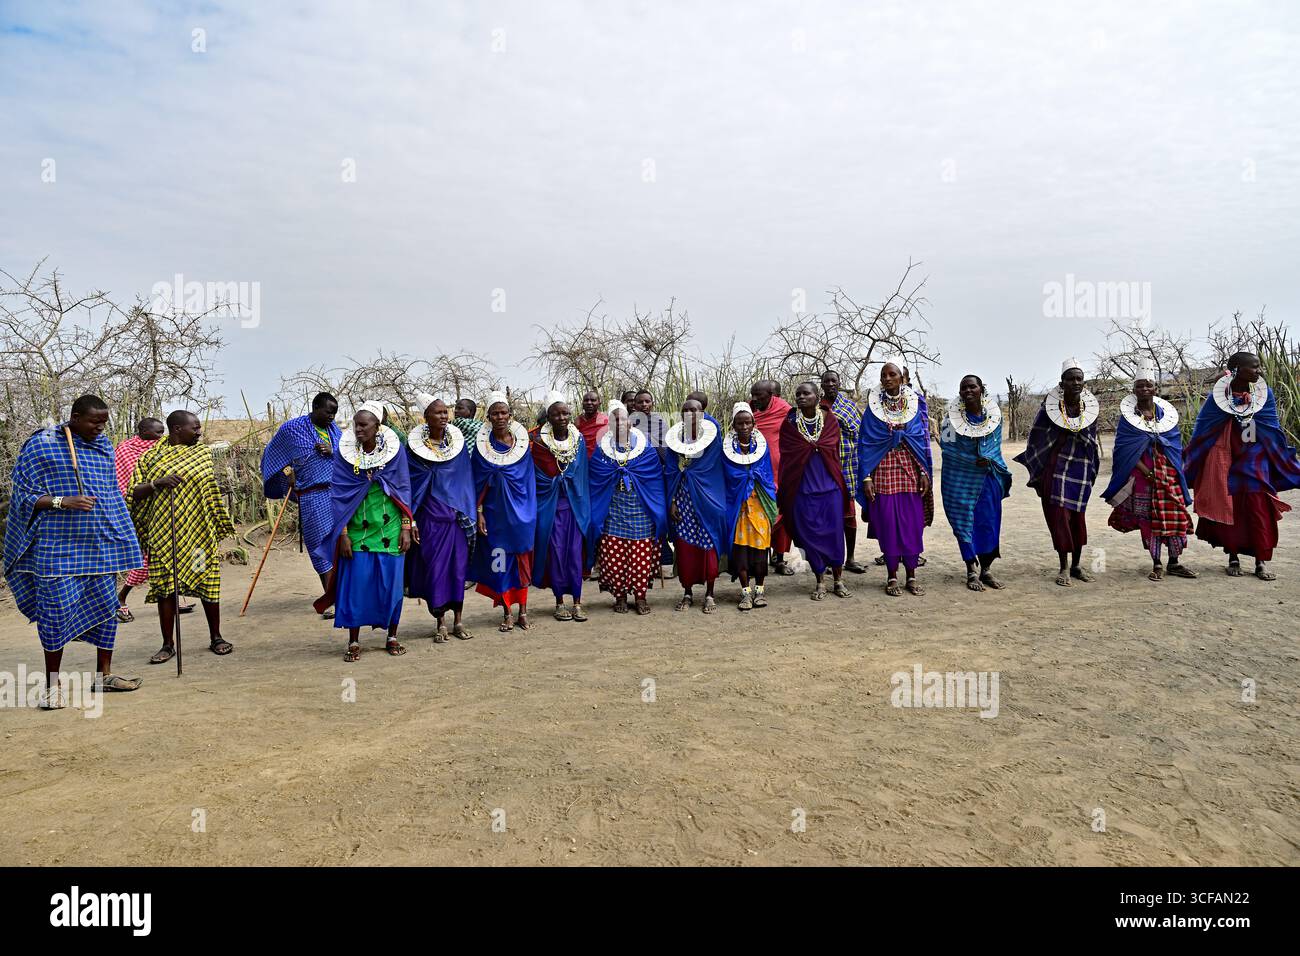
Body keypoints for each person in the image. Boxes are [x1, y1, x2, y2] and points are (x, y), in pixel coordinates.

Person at [4, 395, 145, 706]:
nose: (100, 428)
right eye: (94, 421)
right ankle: (52, 686)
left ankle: (103, 676)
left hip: (98, 545)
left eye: (104, 422)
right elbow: (24, 498)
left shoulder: (103, 446)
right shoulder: (42, 445)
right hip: (57, 547)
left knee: (108, 610)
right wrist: (61, 501)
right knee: (55, 613)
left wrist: (121, 535)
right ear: (76, 416)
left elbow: (110, 493)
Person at [130, 410, 237, 661]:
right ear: (177, 429)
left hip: (199, 535)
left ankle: (216, 636)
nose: (199, 432)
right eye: (195, 427)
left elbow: (208, 489)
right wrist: (157, 483)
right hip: (163, 535)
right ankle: (167, 645)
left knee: (208, 584)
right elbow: (133, 492)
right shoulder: (151, 457)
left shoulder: (202, 454)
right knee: (166, 589)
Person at [1185, 351, 1300, 580]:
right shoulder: (1218, 397)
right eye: (1254, 367)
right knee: (1232, 505)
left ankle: (1261, 561)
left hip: (1256, 456)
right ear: (1236, 369)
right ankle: (1233, 557)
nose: (1259, 371)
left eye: (1258, 367)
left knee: (1259, 505)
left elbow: (1271, 426)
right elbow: (1204, 430)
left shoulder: (1264, 393)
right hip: (1227, 455)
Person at [314, 403, 413, 660]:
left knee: (391, 585)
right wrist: (343, 533)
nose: (358, 429)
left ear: (377, 427)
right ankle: (354, 641)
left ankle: (391, 636)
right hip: (356, 529)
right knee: (356, 585)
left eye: (364, 425)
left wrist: (406, 527)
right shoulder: (345, 455)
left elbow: (403, 488)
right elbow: (339, 494)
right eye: (356, 424)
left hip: (390, 527)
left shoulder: (395, 452)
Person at [1101, 362, 1197, 581]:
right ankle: (1157, 563)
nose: (1144, 389)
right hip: (1143, 477)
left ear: (1155, 389)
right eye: (1140, 386)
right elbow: (1125, 452)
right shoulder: (1129, 420)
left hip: (1169, 474)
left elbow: (1174, 445)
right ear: (1134, 390)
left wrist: (1165, 466)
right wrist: (1147, 471)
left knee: (1175, 516)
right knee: (1149, 519)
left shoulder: (1167, 416)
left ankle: (1174, 562)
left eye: (1148, 385)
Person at [1013, 359, 1101, 587]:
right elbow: (1037, 440)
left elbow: (1091, 442)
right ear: (1061, 383)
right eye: (1070, 379)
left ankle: (1077, 566)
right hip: (1056, 468)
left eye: (1079, 379)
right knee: (1059, 517)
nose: (1075, 382)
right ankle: (1063, 567)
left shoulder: (1089, 410)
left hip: (1080, 468)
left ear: (1084, 383)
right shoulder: (1048, 410)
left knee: (1078, 518)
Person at [857, 359, 932, 596]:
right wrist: (867, 478)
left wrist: (923, 472)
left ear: (902, 378)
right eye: (883, 375)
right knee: (888, 525)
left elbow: (919, 439)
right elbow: (866, 443)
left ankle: (911, 575)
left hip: (910, 470)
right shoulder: (873, 409)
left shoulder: (913, 405)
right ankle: (891, 577)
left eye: (892, 374)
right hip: (883, 471)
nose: (887, 379)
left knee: (911, 525)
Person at [405, 394, 476, 642]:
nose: (444, 416)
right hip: (430, 519)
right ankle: (441, 622)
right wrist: (410, 520)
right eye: (438, 413)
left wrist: (467, 510)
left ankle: (458, 620)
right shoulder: (414, 451)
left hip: (456, 519)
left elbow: (465, 481)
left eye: (446, 412)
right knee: (436, 570)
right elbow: (409, 485)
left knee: (457, 570)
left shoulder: (457, 447)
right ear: (425, 417)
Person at [259, 392, 341, 604]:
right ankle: (330, 599)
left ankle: (341, 596)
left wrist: (333, 451)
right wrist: (287, 476)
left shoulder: (335, 432)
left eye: (334, 413)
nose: (331, 417)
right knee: (320, 547)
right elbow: (273, 453)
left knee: (341, 546)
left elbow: (348, 456)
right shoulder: (292, 429)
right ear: (315, 407)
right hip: (312, 496)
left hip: (338, 495)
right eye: (328, 412)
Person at [589, 401, 668, 614]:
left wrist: (657, 508)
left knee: (640, 554)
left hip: (641, 509)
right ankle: (620, 596)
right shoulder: (602, 450)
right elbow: (596, 479)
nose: (619, 423)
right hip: (613, 509)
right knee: (615, 553)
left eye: (623, 418)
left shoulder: (646, 448)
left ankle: (640, 596)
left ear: (630, 423)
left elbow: (654, 479)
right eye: (614, 419)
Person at [470, 392, 537, 632]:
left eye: (503, 413)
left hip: (523, 514)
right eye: (495, 413)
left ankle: (524, 611)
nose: (500, 417)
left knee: (522, 562)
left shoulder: (522, 448)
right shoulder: (481, 450)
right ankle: (507, 611)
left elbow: (528, 482)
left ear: (510, 416)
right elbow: (477, 484)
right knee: (500, 563)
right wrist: (479, 512)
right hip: (495, 515)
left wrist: (529, 512)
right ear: (488, 417)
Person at [779, 382, 853, 600]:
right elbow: (787, 457)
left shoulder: (830, 420)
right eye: (798, 394)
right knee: (811, 536)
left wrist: (815, 445)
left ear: (817, 396)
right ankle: (820, 581)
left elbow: (833, 448)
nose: (801, 397)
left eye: (806, 393)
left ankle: (838, 580)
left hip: (830, 489)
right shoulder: (790, 424)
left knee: (834, 536)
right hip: (803, 490)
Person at [939, 374, 1012, 591]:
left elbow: (994, 447)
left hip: (987, 477)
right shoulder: (949, 420)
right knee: (964, 522)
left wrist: (986, 459)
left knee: (988, 523)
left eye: (972, 387)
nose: (968, 391)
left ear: (982, 390)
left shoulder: (994, 419)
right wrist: (971, 460)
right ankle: (971, 570)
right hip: (960, 477)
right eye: (964, 388)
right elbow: (947, 449)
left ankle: (986, 570)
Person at [530, 392, 593, 622]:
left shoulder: (578, 440)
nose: (562, 417)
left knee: (575, 554)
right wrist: (556, 481)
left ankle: (577, 602)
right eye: (556, 414)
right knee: (556, 554)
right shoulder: (537, 442)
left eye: (565, 413)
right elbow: (536, 476)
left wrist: (570, 482)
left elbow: (582, 474)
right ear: (548, 416)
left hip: (575, 505)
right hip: (552, 506)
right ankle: (559, 602)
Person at [664, 398, 727, 613]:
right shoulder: (673, 439)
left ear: (703, 413)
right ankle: (687, 592)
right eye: (686, 410)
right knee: (685, 547)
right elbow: (671, 470)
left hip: (708, 499)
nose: (691, 413)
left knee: (708, 545)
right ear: (681, 414)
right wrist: (672, 501)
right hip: (683, 500)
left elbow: (713, 469)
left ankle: (710, 593)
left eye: (695, 409)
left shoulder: (712, 437)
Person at [722, 402, 777, 610]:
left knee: (761, 552)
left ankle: (760, 591)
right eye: (739, 423)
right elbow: (728, 477)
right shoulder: (726, 450)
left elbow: (767, 476)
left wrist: (751, 477)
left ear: (754, 423)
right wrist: (744, 478)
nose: (744, 427)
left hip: (759, 505)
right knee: (741, 552)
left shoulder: (762, 449)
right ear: (733, 425)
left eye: (747, 422)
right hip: (738, 507)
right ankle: (745, 593)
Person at [114, 416, 165, 621]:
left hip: (159, 509)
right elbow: (121, 482)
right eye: (158, 432)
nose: (162, 436)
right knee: (146, 557)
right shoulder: (125, 450)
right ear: (143, 432)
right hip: (133, 512)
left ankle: (172, 597)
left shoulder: (162, 449)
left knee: (164, 554)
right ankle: (121, 597)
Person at [820, 370, 865, 573]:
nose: (830, 384)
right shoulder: (816, 406)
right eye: (826, 381)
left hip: (847, 464)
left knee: (849, 515)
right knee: (827, 515)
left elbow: (858, 431)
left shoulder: (847, 406)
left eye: (833, 381)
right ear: (821, 385)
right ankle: (829, 558)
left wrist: (835, 418)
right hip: (824, 466)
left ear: (839, 383)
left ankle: (851, 558)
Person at [750, 379, 795, 575]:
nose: (754, 399)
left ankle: (779, 558)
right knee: (760, 513)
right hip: (758, 471)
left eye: (758, 395)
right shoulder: (749, 410)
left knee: (782, 514)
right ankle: (760, 555)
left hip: (782, 469)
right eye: (752, 395)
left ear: (771, 396)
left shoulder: (784, 410)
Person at [575, 390, 608, 459]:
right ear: (582, 404)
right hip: (582, 459)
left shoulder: (606, 420)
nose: (589, 403)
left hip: (600, 460)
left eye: (593, 400)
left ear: (599, 403)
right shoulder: (577, 422)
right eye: (586, 400)